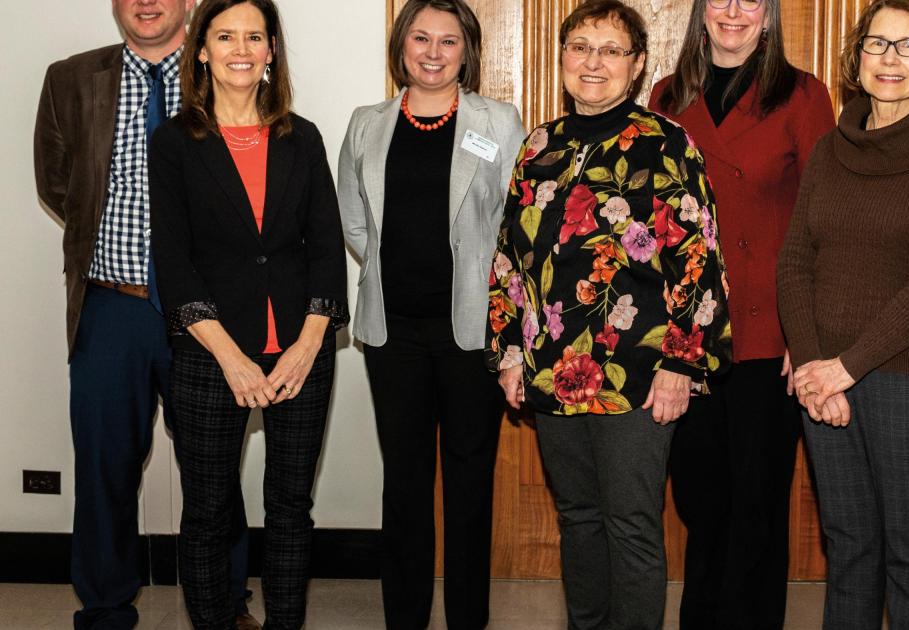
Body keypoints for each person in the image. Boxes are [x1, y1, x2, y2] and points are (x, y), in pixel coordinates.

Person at [487, 1, 732, 627]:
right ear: (562, 58)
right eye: (580, 47)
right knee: (578, 519)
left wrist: (682, 364)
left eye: (610, 50)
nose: (592, 62)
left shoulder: (664, 143)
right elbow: (511, 257)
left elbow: (698, 260)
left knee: (630, 524)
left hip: (638, 374)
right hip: (552, 370)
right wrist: (511, 350)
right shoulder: (540, 145)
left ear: (638, 64)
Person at [33, 0, 256, 627]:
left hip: (208, 316)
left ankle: (225, 602)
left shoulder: (224, 67)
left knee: (213, 468)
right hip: (114, 308)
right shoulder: (71, 78)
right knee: (103, 465)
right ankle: (104, 607)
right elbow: (59, 184)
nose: (147, 1)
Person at [775, 0, 909, 627]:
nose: (890, 59)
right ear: (856, 56)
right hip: (825, 381)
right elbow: (794, 264)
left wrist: (847, 367)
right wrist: (814, 365)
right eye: (877, 44)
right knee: (850, 550)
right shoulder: (830, 148)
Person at [148, 0, 347, 627]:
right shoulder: (175, 143)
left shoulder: (303, 136)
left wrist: (308, 342)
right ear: (201, 50)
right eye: (226, 36)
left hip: (299, 353)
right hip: (211, 355)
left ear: (270, 50)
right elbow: (174, 266)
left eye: (254, 37)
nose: (241, 48)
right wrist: (232, 358)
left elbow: (327, 248)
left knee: (291, 507)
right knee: (207, 510)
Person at [336, 0, 525, 627]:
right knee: (405, 484)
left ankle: (469, 617)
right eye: (421, 38)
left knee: (470, 485)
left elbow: (515, 226)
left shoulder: (498, 122)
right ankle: (406, 618)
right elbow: (355, 221)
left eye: (449, 40)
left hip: (472, 333)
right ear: (403, 46)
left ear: (467, 50)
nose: (434, 51)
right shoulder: (367, 123)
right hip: (393, 334)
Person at [648, 0, 832, 626]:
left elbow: (823, 222)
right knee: (701, 503)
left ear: (768, 13)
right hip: (689, 339)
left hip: (768, 335)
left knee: (757, 509)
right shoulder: (667, 96)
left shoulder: (803, 96)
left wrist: (807, 334)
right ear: (700, 12)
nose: (733, 10)